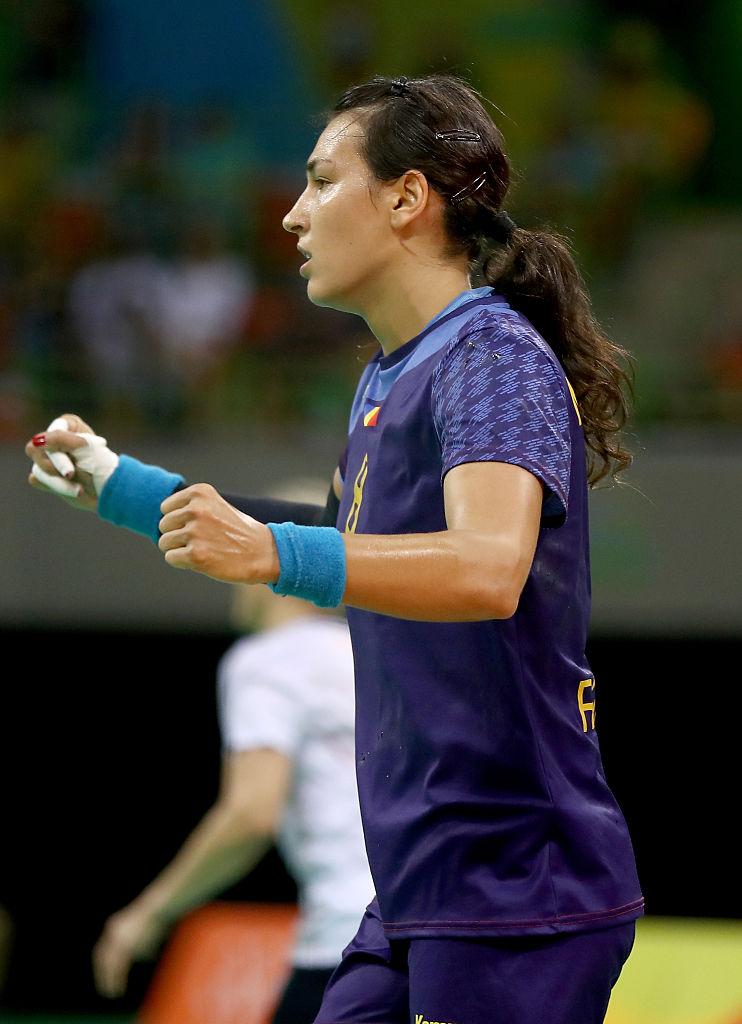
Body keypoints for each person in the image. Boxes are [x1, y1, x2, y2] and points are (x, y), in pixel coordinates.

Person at [27, 73, 643, 1024]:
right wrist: (120, 485)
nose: (291, 213)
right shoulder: (387, 380)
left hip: (518, 884)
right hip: (412, 885)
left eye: (320, 181)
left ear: (406, 198)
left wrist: (275, 555)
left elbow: (488, 567)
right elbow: (338, 542)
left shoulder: (491, 355)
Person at [91, 553, 372, 1024]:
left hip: (347, 935)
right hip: (426, 925)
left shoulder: (267, 661)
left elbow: (252, 814)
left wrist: (147, 913)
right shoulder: (369, 654)